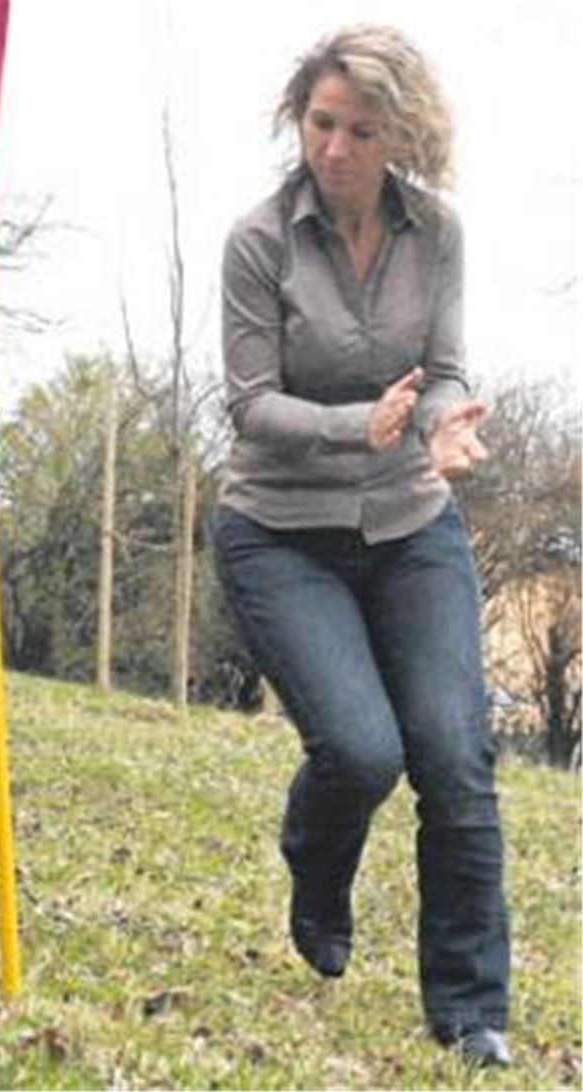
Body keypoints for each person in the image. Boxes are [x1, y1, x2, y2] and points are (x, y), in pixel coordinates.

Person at [210, 25, 511, 1066]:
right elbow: (248, 406)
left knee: (454, 756)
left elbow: (445, 366)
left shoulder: (439, 233)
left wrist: (445, 421)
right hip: (280, 531)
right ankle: (317, 863)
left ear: (401, 137)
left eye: (361, 130)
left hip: (411, 522)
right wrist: (355, 425)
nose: (334, 148)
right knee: (361, 749)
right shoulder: (259, 242)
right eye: (321, 123)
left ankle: (472, 1013)